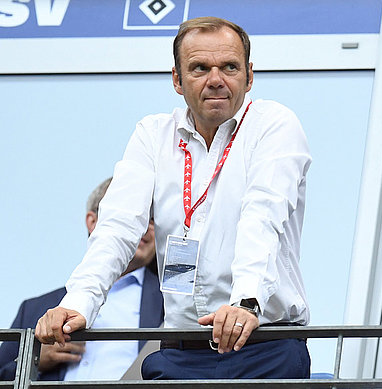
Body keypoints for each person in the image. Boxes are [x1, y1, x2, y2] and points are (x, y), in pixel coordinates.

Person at [35, 16, 312, 380]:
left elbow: (263, 215)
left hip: (265, 344)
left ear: (249, 76)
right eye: (199, 68)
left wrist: (245, 302)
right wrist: (77, 302)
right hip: (181, 350)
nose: (216, 79)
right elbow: (117, 226)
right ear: (177, 80)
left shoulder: (274, 124)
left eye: (229, 67)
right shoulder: (153, 134)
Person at [0, 178, 163, 381]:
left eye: (153, 218)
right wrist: (34, 361)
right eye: (131, 218)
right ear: (92, 222)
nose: (144, 226)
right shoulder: (33, 309)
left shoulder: (172, 304)